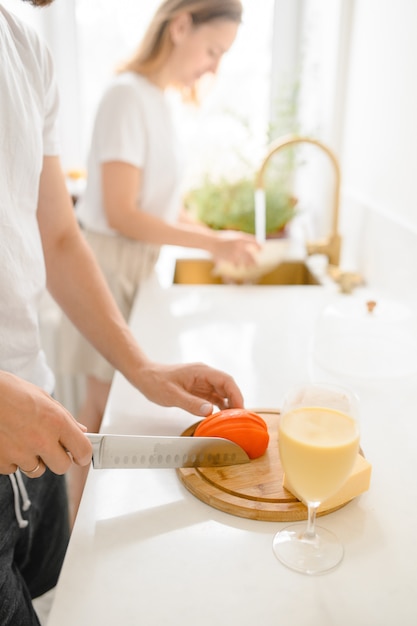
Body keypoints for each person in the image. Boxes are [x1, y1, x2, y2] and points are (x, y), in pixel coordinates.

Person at [0, 1, 247, 623]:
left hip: (37, 419)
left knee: (64, 604)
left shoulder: (26, 48)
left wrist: (144, 368)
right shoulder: (124, 94)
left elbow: (57, 235)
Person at [60, 0, 258, 520]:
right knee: (99, 412)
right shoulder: (127, 96)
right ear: (180, 25)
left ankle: (83, 536)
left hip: (134, 266)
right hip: (106, 266)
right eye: (213, 50)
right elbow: (124, 213)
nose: (214, 66)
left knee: (108, 409)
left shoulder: (157, 101)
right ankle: (78, 545)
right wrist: (213, 246)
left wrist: (219, 236)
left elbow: (161, 208)